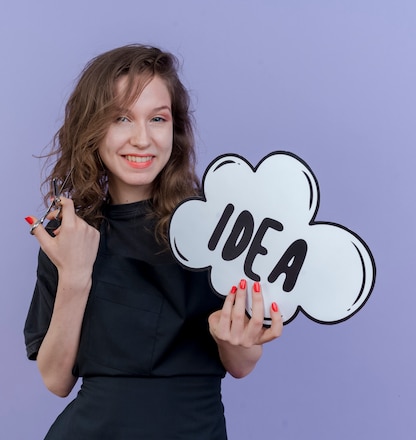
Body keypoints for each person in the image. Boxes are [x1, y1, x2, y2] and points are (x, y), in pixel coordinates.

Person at [23, 44, 283, 439]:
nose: (142, 139)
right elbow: (56, 381)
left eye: (157, 118)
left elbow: (241, 364)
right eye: (121, 118)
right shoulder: (71, 233)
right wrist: (75, 276)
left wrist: (234, 337)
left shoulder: (219, 228)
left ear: (174, 130)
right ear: (93, 128)